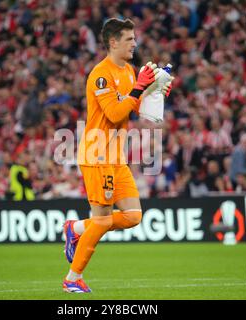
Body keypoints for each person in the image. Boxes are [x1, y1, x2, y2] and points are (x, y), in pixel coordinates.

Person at [61, 18, 173, 293]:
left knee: (133, 215)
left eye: (134, 39)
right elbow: (113, 113)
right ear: (113, 42)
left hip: (116, 156)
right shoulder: (101, 74)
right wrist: (138, 90)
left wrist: (155, 93)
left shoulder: (129, 71)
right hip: (98, 154)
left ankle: (75, 229)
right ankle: (72, 279)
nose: (135, 43)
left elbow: (137, 109)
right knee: (102, 220)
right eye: (129, 39)